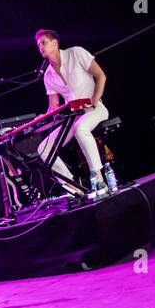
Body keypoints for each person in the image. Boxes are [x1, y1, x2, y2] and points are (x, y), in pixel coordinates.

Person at [34, 29, 110, 196]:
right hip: (73, 118)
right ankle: (73, 188)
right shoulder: (48, 74)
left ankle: (98, 178)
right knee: (43, 149)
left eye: (43, 42)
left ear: (55, 43)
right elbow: (53, 108)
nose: (40, 46)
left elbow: (101, 76)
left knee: (80, 129)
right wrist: (41, 118)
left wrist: (94, 102)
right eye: (38, 44)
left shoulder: (76, 53)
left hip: (96, 109)